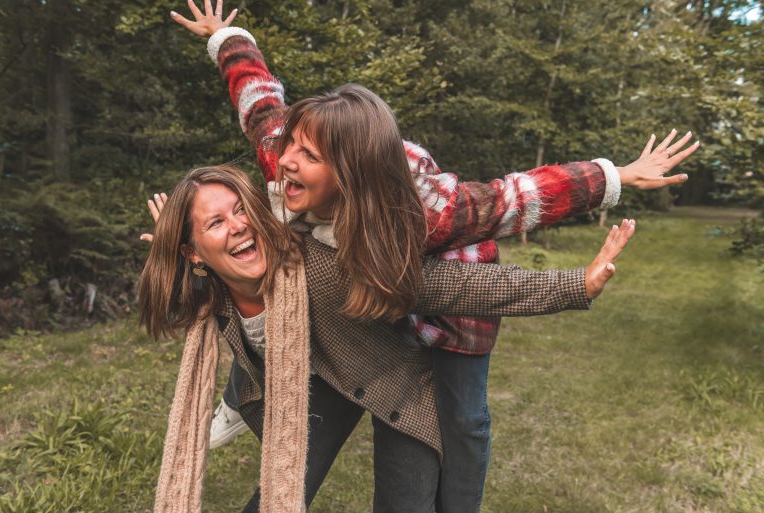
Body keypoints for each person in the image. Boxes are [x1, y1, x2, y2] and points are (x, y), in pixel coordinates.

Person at [164, 3, 700, 511]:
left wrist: (614, 176)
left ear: (349, 175)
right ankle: (239, 396)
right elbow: (258, 99)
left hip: (449, 308)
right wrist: (224, 37)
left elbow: (515, 197)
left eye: (309, 155)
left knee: (463, 420)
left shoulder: (429, 213)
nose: (287, 162)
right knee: (283, 291)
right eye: (291, 149)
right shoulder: (284, 156)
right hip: (365, 288)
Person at [140, 165, 636, 513]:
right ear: (193, 254)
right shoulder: (209, 295)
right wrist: (173, 245)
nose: (238, 226)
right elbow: (169, 291)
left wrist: (575, 285)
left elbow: (452, 286)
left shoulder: (322, 268)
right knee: (279, 493)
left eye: (240, 210)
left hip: (396, 380)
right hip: (318, 384)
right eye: (216, 223)